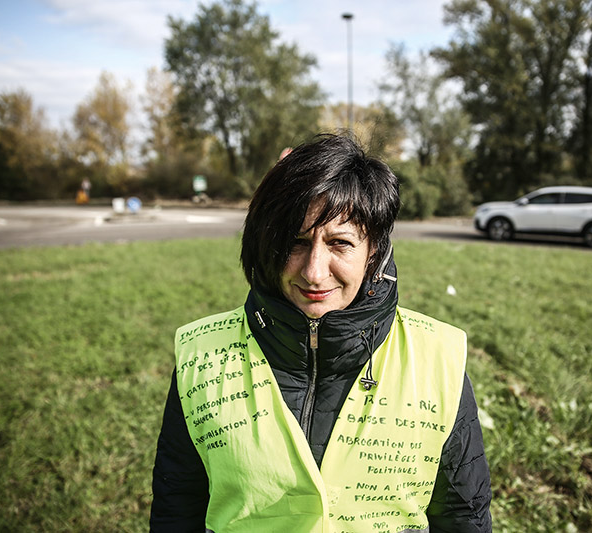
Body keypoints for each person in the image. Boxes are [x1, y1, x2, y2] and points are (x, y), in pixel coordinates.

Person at [150, 134, 492, 532]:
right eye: (295, 242)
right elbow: (177, 511)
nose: (314, 271)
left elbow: (464, 516)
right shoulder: (200, 357)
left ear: (375, 251)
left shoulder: (440, 358)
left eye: (340, 243)